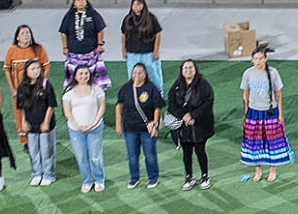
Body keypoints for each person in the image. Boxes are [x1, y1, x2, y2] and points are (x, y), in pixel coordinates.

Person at [240, 45, 292, 183]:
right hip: (253, 113)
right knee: (255, 142)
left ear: (266, 59)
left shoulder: (273, 73)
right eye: (255, 59)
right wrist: (246, 114)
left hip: (270, 112)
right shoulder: (248, 73)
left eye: (261, 58)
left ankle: (272, 170)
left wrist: (280, 114)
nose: (258, 61)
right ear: (252, 60)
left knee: (272, 142)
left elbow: (279, 95)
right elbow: (245, 96)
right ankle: (258, 171)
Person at [115, 60, 164, 189]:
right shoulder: (126, 88)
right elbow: (119, 105)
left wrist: (155, 125)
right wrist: (118, 123)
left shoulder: (151, 88)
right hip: (130, 129)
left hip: (146, 129)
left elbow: (157, 108)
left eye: (140, 72)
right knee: (132, 156)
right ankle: (134, 178)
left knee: (150, 155)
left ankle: (153, 178)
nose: (137, 75)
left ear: (145, 74)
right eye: (134, 72)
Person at [167, 60, 216, 190]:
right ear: (181, 70)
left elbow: (208, 102)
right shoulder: (177, 85)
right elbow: (171, 104)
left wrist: (193, 116)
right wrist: (183, 116)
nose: (188, 70)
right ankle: (189, 177)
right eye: (185, 68)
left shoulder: (203, 84)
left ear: (195, 69)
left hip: (200, 125)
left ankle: (205, 176)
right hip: (183, 127)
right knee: (186, 152)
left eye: (190, 67)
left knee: (200, 151)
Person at [62, 64, 108, 193]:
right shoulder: (68, 93)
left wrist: (93, 124)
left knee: (95, 156)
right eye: (81, 73)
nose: (84, 76)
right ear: (75, 76)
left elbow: (101, 108)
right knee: (81, 156)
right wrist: (77, 126)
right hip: (76, 130)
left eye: (86, 73)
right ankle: (86, 181)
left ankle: (99, 179)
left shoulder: (97, 90)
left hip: (95, 128)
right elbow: (67, 111)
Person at [14, 58, 58, 186]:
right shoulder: (22, 87)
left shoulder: (45, 84)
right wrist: (23, 121)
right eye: (33, 69)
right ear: (26, 71)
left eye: (38, 68)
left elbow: (51, 105)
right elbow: (21, 106)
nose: (36, 71)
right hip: (30, 123)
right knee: (33, 150)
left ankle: (48, 174)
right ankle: (36, 173)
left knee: (46, 150)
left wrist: (46, 122)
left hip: (45, 124)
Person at [58, 0, 108, 89]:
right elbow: (63, 32)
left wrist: (100, 44)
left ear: (86, 2)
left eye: (83, 0)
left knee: (92, 75)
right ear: (74, 3)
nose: (80, 2)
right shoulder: (69, 16)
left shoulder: (93, 14)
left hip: (91, 52)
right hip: (74, 52)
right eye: (78, 0)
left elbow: (100, 30)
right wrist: (65, 47)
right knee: (74, 75)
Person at [119, 0, 163, 94]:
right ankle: (135, 95)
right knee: (133, 75)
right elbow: (123, 35)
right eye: (133, 5)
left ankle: (157, 94)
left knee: (153, 74)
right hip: (132, 53)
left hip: (148, 52)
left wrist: (156, 51)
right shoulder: (128, 19)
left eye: (138, 5)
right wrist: (123, 50)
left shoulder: (151, 18)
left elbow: (157, 34)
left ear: (143, 5)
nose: (136, 7)